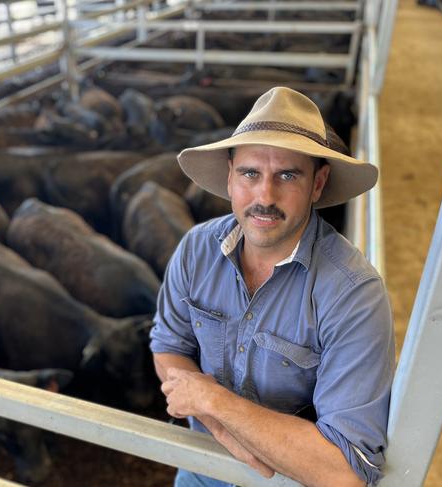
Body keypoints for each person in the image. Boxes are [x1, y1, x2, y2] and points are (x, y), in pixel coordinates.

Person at [149, 86, 395, 487]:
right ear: (229, 178)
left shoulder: (354, 294)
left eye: (287, 175)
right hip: (200, 468)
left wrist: (213, 400)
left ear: (318, 185)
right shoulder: (196, 249)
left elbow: (346, 470)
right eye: (250, 173)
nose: (265, 196)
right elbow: (168, 345)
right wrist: (226, 431)